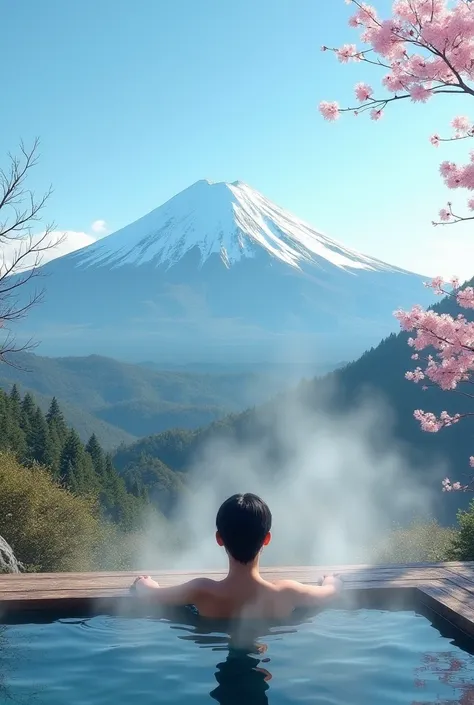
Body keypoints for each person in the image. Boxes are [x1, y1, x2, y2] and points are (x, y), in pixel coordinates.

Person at [131, 493, 344, 619]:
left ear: (219, 538)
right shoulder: (287, 592)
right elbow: (330, 593)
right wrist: (330, 581)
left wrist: (145, 584)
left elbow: (151, 596)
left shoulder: (201, 591)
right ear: (266, 539)